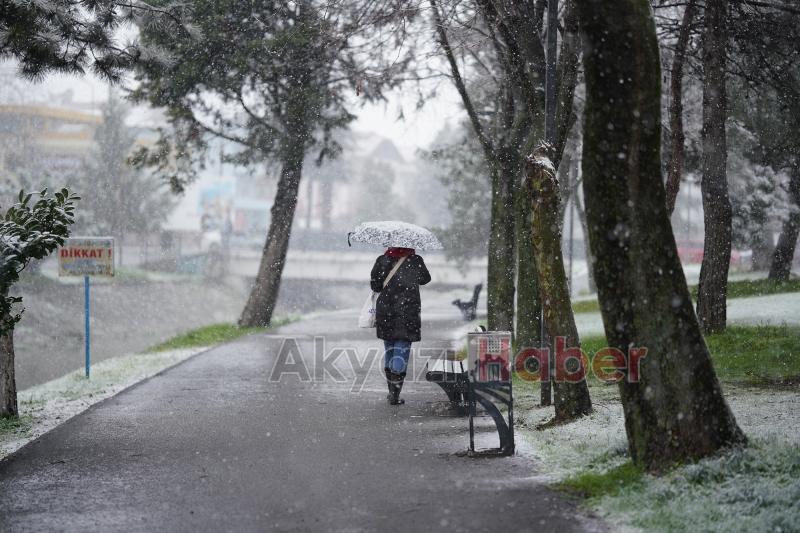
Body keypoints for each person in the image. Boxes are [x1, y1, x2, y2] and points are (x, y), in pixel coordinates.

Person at [370, 247, 431, 405]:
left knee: (389, 346)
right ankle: (395, 394)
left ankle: (392, 391)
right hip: (407, 311)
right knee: (402, 347)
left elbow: (375, 286)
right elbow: (425, 279)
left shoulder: (382, 260)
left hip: (386, 310)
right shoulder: (415, 261)